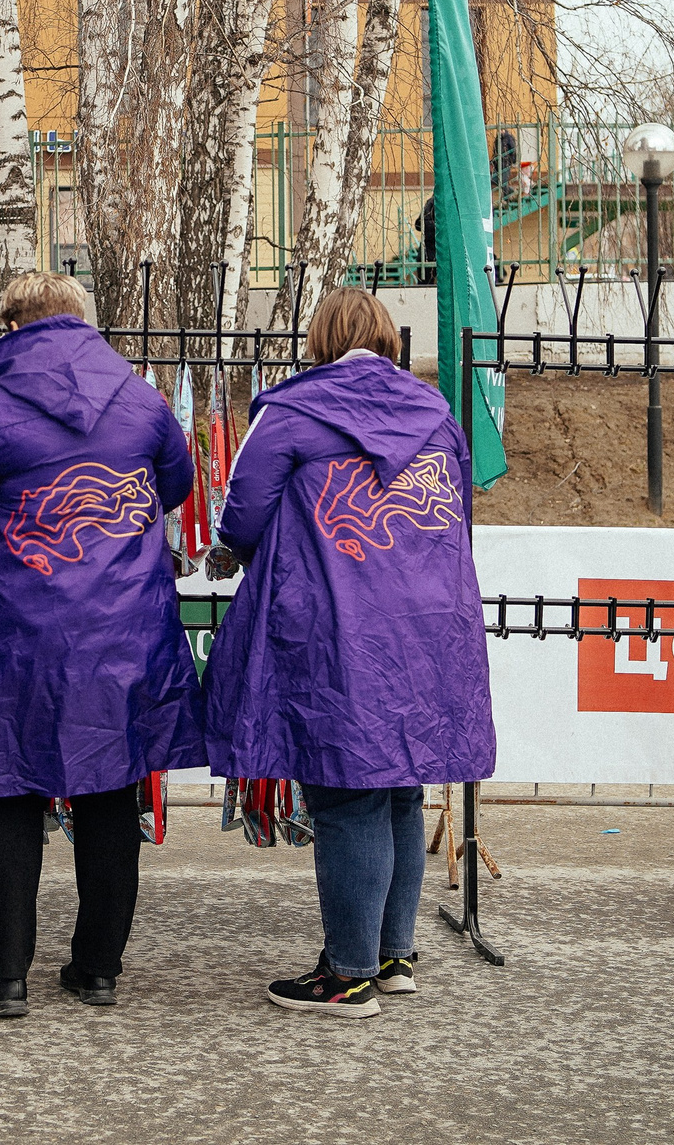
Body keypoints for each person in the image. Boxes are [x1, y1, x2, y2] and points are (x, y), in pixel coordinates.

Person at [204, 285, 494, 1019]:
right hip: (429, 620)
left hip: (338, 618)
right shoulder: (436, 414)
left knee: (343, 791)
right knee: (399, 781)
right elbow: (459, 506)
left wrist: (229, 554)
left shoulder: (292, 408)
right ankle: (392, 955)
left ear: (320, 340)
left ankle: (348, 973)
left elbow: (242, 510)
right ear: (390, 340)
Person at [0, 270, 204, 1017]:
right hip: (126, 627)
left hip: (20, 630)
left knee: (9, 789)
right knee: (111, 786)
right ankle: (97, 967)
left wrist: (16, 555)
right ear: (84, 322)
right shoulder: (144, 399)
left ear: (10, 326)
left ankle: (6, 976)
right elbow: (175, 485)